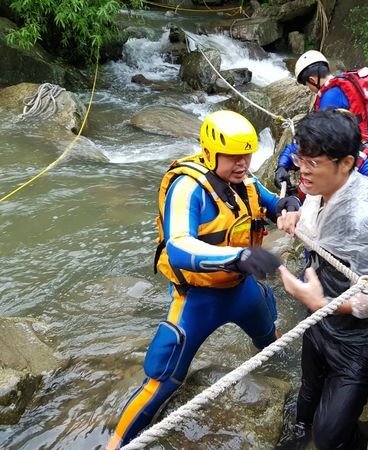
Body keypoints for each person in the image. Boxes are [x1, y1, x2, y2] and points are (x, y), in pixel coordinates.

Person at [108, 110, 301, 449]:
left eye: (247, 154)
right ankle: (117, 443)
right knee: (162, 380)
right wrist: (239, 257)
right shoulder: (186, 189)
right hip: (198, 300)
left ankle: (288, 385)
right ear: (210, 153)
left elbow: (271, 205)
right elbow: (180, 247)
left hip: (244, 292)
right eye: (234, 156)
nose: (243, 163)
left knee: (271, 342)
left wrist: (289, 202)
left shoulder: (244, 180)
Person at [276, 109, 368, 450]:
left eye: (313, 162)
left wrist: (320, 303)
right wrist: (297, 216)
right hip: (320, 321)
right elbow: (320, 229)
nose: (302, 170)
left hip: (357, 342)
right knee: (306, 401)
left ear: (346, 163)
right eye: (300, 158)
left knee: (329, 438)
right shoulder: (320, 189)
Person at [274, 50, 368, 195]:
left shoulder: (330, 96)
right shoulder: (346, 81)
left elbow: (314, 139)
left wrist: (282, 165)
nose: (310, 89)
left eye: (308, 85)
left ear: (313, 79)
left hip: (351, 147)